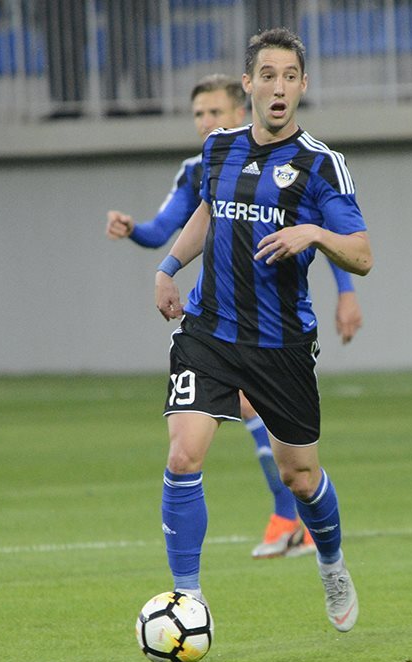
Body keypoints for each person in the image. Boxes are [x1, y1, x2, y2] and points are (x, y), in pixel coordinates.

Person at [152, 27, 372, 632]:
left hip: (280, 344)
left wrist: (316, 233)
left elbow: (362, 253)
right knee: (183, 454)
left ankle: (330, 561)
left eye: (290, 77)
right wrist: (169, 267)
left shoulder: (322, 165)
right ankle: (187, 599)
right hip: (209, 331)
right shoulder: (218, 149)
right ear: (248, 83)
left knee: (299, 476)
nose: (279, 88)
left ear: (303, 86)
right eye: (268, 76)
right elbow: (208, 210)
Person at [107, 73, 364, 560]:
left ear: (239, 110)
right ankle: (267, 531)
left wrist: (346, 293)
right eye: (198, 114)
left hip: (275, 329)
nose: (206, 122)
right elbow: (167, 229)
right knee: (188, 449)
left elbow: (326, 231)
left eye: (214, 113)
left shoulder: (300, 162)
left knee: (291, 460)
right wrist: (138, 234)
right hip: (214, 324)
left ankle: (297, 520)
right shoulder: (201, 165)